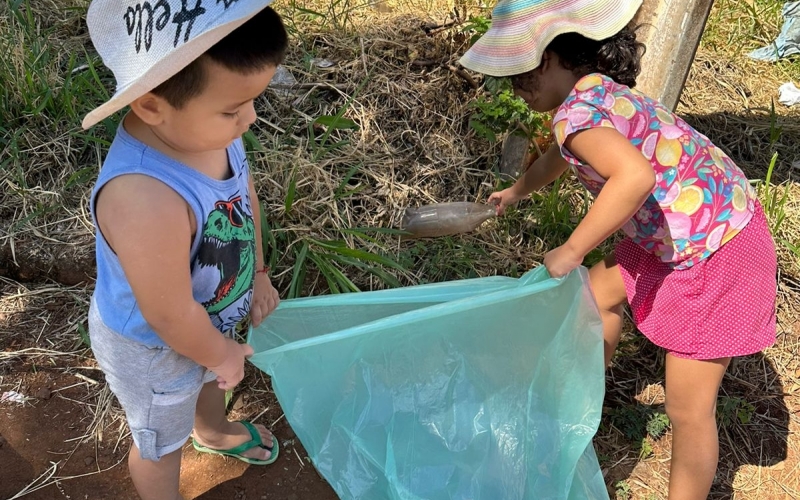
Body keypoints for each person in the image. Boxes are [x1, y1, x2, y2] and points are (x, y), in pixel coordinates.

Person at [460, 1, 777, 498]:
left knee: (688, 409)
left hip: (715, 250)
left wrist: (570, 248)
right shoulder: (595, 95)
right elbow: (565, 157)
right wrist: (518, 190)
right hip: (691, 226)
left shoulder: (577, 117)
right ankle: (584, 401)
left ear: (547, 60)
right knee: (593, 294)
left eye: (518, 75)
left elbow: (634, 176)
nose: (515, 90)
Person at [82, 1, 288, 498]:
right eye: (233, 109)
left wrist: (257, 271)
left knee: (209, 379)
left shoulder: (206, 132)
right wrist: (221, 353)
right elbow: (171, 315)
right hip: (154, 350)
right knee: (160, 442)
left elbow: (244, 193)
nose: (250, 119)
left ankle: (213, 430)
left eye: (252, 101)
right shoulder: (143, 198)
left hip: (206, 321)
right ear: (151, 104)